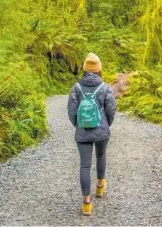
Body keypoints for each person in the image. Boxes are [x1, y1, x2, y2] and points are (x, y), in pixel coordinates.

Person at [67, 52, 117, 216]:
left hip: (82, 131)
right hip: (101, 130)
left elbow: (72, 111)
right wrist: (106, 125)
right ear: (99, 69)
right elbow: (111, 110)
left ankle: (87, 204)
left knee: (85, 165)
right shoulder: (105, 87)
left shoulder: (76, 88)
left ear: (84, 69)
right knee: (101, 157)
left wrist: (78, 125)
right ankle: (100, 186)